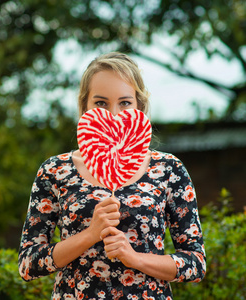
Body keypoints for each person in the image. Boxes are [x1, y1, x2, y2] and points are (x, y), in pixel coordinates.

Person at [18, 52, 206, 299]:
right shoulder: (55, 171)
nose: (114, 115)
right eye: (101, 103)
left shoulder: (168, 169)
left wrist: (134, 258)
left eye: (125, 103)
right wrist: (90, 234)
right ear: (85, 105)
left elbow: (195, 263)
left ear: (139, 105)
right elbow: (28, 264)